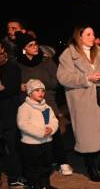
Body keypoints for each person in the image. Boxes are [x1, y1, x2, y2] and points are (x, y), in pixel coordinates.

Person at [57, 26, 100, 182]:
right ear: (79, 37)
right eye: (88, 34)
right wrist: (87, 78)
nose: (93, 36)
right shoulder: (68, 55)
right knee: (89, 140)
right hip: (83, 101)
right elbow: (63, 77)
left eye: (93, 33)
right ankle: (91, 168)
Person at [15, 33, 73, 176]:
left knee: (55, 131)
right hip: (28, 104)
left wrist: (37, 85)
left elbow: (56, 82)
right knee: (33, 132)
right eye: (31, 45)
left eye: (35, 44)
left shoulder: (46, 61)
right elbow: (14, 83)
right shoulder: (17, 64)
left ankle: (62, 161)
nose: (35, 47)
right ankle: (38, 165)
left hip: (48, 101)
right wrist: (20, 86)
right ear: (23, 49)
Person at [17, 79, 59, 189]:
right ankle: (33, 186)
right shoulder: (24, 108)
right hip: (31, 144)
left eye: (42, 91)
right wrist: (40, 132)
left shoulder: (46, 107)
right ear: (29, 93)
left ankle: (44, 184)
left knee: (46, 165)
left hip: (46, 142)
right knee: (32, 167)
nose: (41, 93)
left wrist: (51, 129)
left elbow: (54, 120)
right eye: (37, 91)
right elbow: (23, 124)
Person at [0, 42, 23, 188]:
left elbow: (11, 90)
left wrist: (3, 89)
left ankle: (14, 177)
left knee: (13, 145)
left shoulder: (12, 67)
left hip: (9, 112)